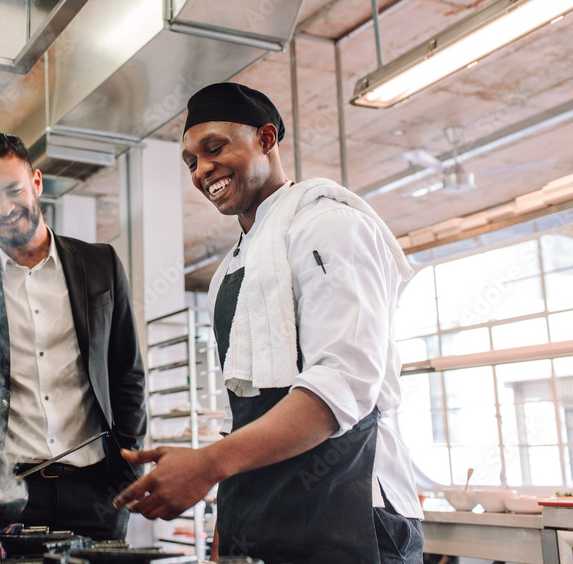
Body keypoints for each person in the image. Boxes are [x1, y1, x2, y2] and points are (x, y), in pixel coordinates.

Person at [113, 83, 424, 563]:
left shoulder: (329, 226)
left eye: (215, 148)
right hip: (265, 518)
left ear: (265, 138)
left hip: (351, 512)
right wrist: (227, 522)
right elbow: (246, 412)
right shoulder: (230, 273)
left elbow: (341, 386)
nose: (202, 170)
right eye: (191, 162)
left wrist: (207, 466)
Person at [0, 130, 147, 540]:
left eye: (13, 190)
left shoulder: (100, 264)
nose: (3, 208)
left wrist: (126, 473)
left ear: (36, 182)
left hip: (96, 493)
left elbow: (127, 374)